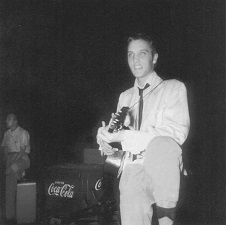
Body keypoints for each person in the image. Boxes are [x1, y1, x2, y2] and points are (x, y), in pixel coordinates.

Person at [96, 33, 190, 225]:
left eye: (142, 53)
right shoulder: (125, 97)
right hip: (132, 171)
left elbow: (175, 134)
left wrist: (126, 134)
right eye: (130, 55)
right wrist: (108, 142)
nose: (135, 60)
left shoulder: (173, 88)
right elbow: (120, 145)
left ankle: (166, 220)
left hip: (165, 173)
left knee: (162, 144)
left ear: (154, 58)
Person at [1, 113, 30, 223]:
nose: (6, 121)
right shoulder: (6, 134)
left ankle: (19, 171)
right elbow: (4, 149)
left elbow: (22, 151)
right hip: (10, 158)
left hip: (22, 158)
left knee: (13, 168)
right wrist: (5, 164)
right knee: (9, 188)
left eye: (9, 119)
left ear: (15, 121)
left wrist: (11, 165)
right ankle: (9, 216)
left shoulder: (23, 133)